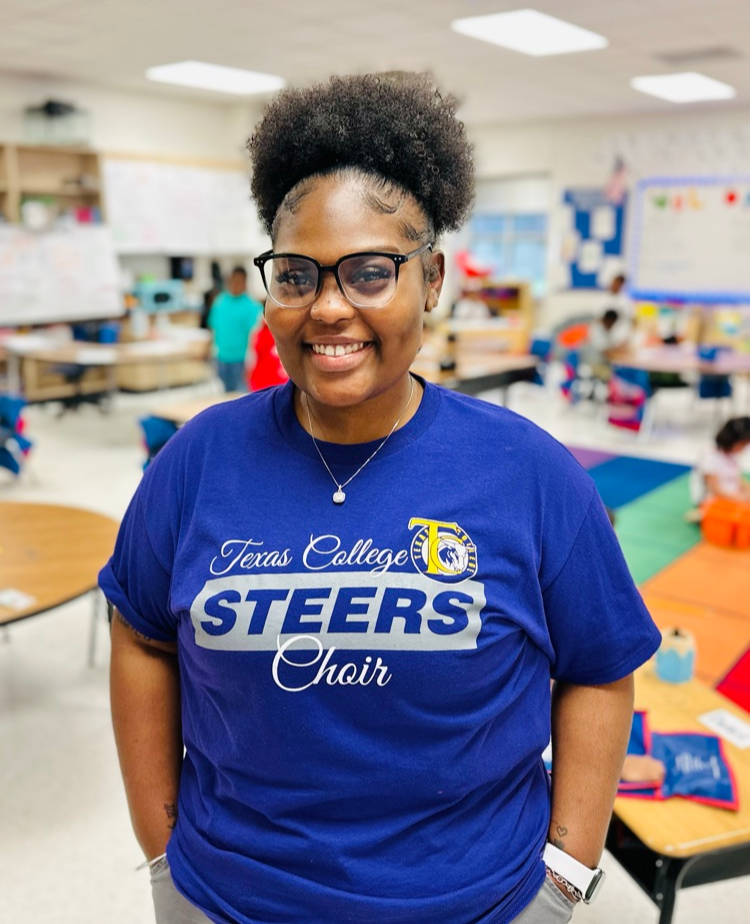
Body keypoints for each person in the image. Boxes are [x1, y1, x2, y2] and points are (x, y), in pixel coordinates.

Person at [100, 73, 661, 924]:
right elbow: (141, 635)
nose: (328, 308)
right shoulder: (198, 460)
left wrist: (563, 882)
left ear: (431, 279)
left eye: (370, 272)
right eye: (296, 275)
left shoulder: (530, 473)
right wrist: (162, 859)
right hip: (226, 897)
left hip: (475, 903)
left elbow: (598, 671)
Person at [207, 265, 262, 392]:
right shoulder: (220, 302)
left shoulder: (252, 306)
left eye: (239, 281)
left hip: (242, 360)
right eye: (233, 280)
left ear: (245, 282)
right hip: (221, 358)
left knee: (241, 396)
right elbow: (213, 328)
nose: (235, 284)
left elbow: (258, 336)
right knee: (225, 396)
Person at [690, 416, 750, 508]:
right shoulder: (710, 456)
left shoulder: (732, 454)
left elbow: (736, 478)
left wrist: (747, 490)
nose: (745, 448)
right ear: (732, 440)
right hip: (712, 499)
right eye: (743, 444)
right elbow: (714, 488)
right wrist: (740, 499)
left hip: (730, 493)